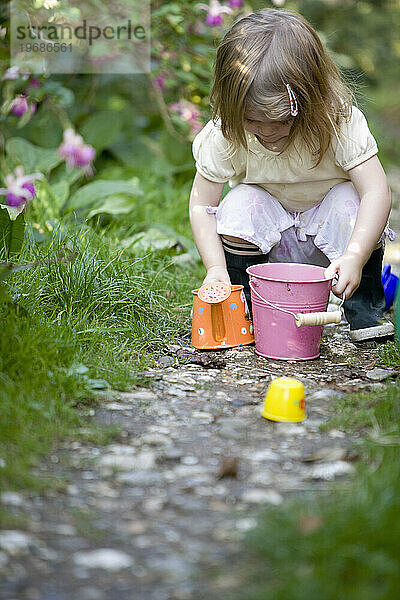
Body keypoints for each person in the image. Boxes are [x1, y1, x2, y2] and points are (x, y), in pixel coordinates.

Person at [189, 7, 395, 343]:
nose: (267, 133)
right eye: (252, 121)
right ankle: (248, 304)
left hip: (333, 251)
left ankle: (362, 307)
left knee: (350, 201)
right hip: (270, 245)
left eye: (282, 122)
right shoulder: (225, 133)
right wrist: (216, 269)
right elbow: (202, 205)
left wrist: (355, 255)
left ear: (311, 99)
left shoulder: (337, 121)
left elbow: (376, 191)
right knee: (240, 202)